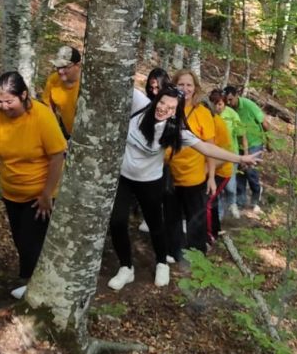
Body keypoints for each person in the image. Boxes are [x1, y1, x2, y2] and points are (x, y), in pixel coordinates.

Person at [108, 84, 261, 290]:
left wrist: (240, 157)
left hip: (150, 181)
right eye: (162, 102)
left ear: (176, 112)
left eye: (171, 107)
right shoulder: (140, 106)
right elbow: (121, 82)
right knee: (117, 221)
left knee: (155, 224)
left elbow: (207, 147)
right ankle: (126, 267)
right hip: (124, 178)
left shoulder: (176, 130)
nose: (163, 108)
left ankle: (162, 262)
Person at [0, 72, 67, 299]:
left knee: (31, 244)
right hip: (11, 191)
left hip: (39, 194)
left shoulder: (41, 116)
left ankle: (38, 292)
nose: (3, 106)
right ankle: (35, 284)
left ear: (24, 95)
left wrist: (47, 194)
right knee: (20, 240)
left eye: (9, 101)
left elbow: (58, 156)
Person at [165, 69, 217, 263]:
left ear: (195, 89)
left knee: (196, 218)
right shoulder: (168, 108)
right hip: (170, 173)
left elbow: (210, 147)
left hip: (194, 176)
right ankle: (175, 250)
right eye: (181, 84)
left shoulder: (202, 113)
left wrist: (211, 177)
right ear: (174, 86)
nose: (185, 89)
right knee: (172, 216)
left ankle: (196, 255)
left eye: (189, 85)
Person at [223, 85, 270, 213]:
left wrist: (268, 141)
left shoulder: (249, 105)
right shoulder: (227, 110)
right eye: (226, 100)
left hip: (254, 142)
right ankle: (240, 201)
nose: (229, 103)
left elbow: (264, 123)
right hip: (238, 145)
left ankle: (256, 195)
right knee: (240, 173)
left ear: (237, 96)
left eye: (231, 99)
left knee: (250, 171)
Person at [138, 67, 170, 235]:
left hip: (162, 156)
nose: (154, 91)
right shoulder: (144, 103)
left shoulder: (170, 105)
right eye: (151, 87)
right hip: (142, 153)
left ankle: (152, 219)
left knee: (160, 189)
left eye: (158, 87)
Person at [201, 97, 234, 244]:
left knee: (207, 201)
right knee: (211, 201)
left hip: (221, 170)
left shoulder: (217, 124)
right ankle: (215, 229)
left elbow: (225, 154)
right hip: (206, 168)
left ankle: (209, 237)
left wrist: (208, 172)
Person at [209, 88, 245, 220]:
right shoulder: (209, 116)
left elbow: (242, 134)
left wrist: (244, 153)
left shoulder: (232, 115)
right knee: (216, 189)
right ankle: (219, 215)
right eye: (214, 104)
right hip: (213, 156)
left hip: (231, 155)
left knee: (230, 186)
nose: (217, 107)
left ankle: (232, 203)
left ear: (224, 103)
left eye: (220, 104)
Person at [41, 45, 82, 140]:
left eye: (65, 67)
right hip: (67, 135)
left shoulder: (87, 84)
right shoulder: (54, 80)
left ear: (78, 65)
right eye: (58, 67)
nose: (60, 71)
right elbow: (48, 109)